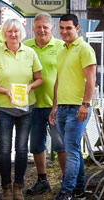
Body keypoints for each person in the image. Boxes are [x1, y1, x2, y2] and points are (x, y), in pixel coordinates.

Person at [0, 18, 43, 200]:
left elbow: (39, 79)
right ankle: (5, 187)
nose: (13, 34)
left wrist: (29, 87)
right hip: (4, 109)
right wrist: (4, 91)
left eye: (16, 31)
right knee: (4, 148)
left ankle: (18, 186)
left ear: (21, 33)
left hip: (26, 108)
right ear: (4, 34)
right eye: (9, 31)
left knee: (22, 148)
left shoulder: (30, 53)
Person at [49, 14, 96, 200]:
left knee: (71, 150)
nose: (64, 31)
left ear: (77, 28)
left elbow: (91, 79)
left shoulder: (85, 49)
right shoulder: (62, 50)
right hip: (61, 109)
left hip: (78, 109)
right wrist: (54, 107)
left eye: (69, 28)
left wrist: (85, 104)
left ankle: (66, 191)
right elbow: (58, 81)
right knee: (74, 150)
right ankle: (79, 190)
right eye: (61, 28)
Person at [23, 12, 66, 196]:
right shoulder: (25, 47)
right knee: (37, 146)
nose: (41, 30)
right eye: (38, 27)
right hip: (33, 104)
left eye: (45, 27)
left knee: (60, 144)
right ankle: (43, 181)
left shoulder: (62, 46)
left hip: (57, 105)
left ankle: (67, 181)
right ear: (33, 28)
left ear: (52, 29)